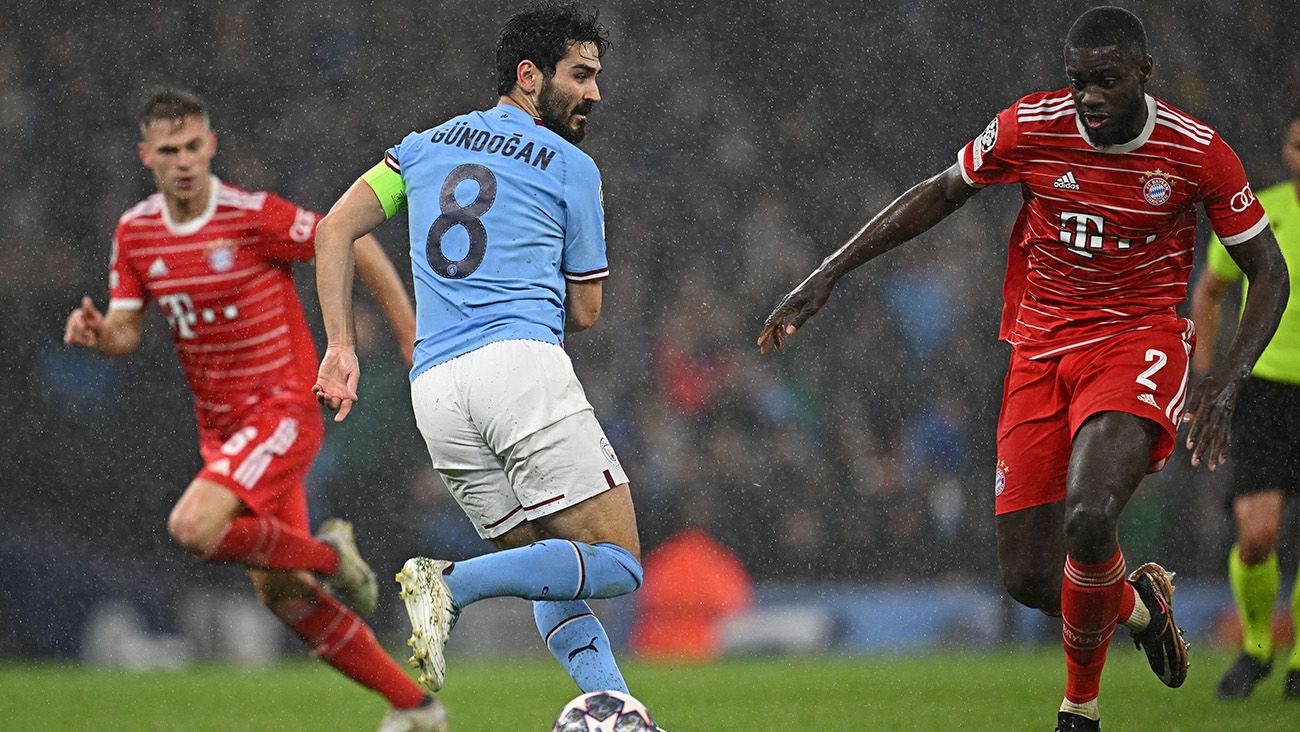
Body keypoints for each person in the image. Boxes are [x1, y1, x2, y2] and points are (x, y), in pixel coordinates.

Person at [757, 7, 1288, 731]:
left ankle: (1079, 710)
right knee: (1034, 579)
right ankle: (1139, 606)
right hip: (1040, 351)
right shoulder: (1029, 126)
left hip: (1139, 342)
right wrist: (831, 271)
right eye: (1078, 81)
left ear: (1143, 74)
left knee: (1091, 516)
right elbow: (942, 191)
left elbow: (1268, 271)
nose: (1089, 96)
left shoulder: (1196, 152)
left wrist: (1229, 376)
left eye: (1106, 80)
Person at [63, 89, 446, 732]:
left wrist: (410, 337)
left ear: (209, 145)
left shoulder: (249, 217)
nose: (183, 160)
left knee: (192, 527)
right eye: (168, 151)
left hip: (284, 411)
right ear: (146, 156)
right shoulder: (136, 232)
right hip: (223, 432)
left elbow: (348, 239)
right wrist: (101, 334)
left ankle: (331, 557)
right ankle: (418, 710)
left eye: (192, 146)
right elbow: (128, 331)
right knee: (284, 595)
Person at [311, 0, 645, 705]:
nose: (594, 94)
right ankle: (450, 583)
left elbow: (334, 228)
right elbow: (586, 310)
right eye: (580, 75)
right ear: (529, 76)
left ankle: (617, 715)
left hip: (435, 392)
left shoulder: (422, 147)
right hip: (519, 368)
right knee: (616, 563)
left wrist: (340, 345)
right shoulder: (569, 166)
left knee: (549, 569)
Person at [1190, 108, 1300, 701]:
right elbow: (1210, 292)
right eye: (1297, 144)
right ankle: (1258, 644)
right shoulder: (1258, 212)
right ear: (1286, 152)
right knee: (1257, 534)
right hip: (1264, 388)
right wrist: (1208, 377)